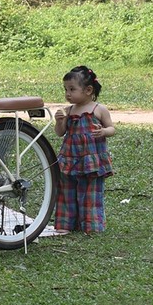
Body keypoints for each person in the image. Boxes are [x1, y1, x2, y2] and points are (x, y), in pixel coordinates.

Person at [54, 65, 115, 233]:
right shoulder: (68, 110)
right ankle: (66, 224)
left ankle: (91, 225)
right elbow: (60, 133)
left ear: (88, 90)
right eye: (65, 89)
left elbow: (112, 129)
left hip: (92, 159)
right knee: (67, 192)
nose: (67, 93)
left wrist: (103, 131)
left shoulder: (98, 109)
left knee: (90, 192)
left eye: (72, 89)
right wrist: (59, 121)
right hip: (69, 157)